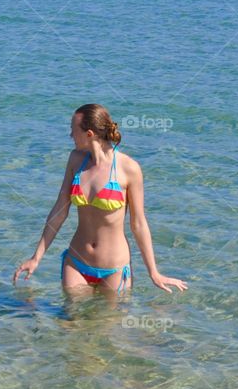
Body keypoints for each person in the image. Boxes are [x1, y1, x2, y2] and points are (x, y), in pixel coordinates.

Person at [13, 104, 188, 295]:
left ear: (89, 134)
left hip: (114, 269)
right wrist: (36, 257)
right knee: (69, 323)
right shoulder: (75, 160)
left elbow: (138, 224)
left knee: (106, 325)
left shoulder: (129, 169)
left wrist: (154, 273)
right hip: (76, 263)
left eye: (73, 131)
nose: (70, 136)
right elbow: (59, 211)